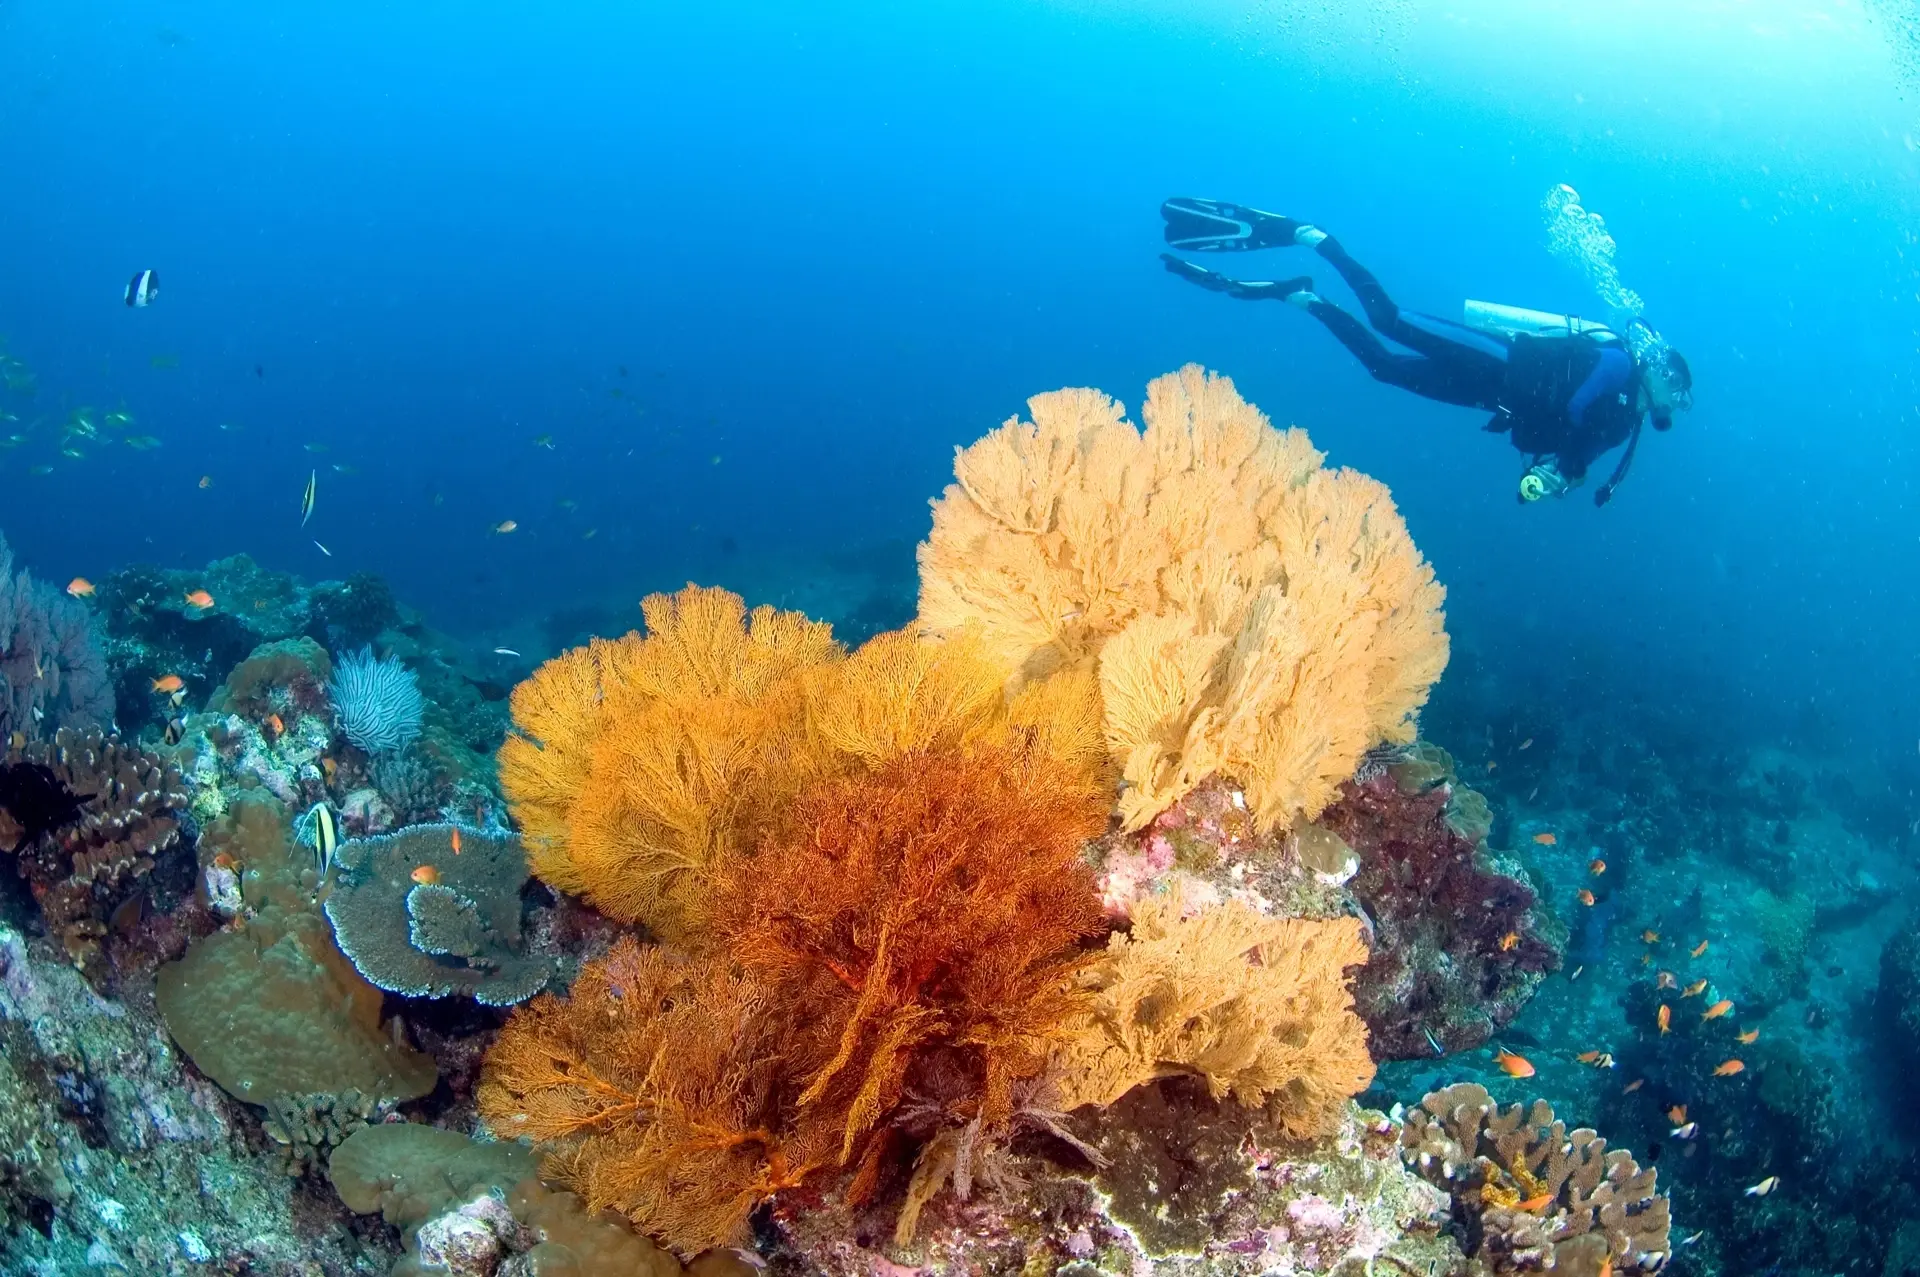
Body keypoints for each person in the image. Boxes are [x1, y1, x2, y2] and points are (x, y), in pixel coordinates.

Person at [1159, 197, 1692, 505]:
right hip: (1499, 361)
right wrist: (1575, 458)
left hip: (1493, 398)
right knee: (1388, 320)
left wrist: (1562, 476)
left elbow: (1578, 447)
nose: (1673, 401)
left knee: (1383, 368)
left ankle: (1305, 298)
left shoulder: (1624, 427)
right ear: (1660, 370)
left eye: (1680, 400)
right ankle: (1317, 240)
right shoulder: (1619, 362)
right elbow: (1577, 406)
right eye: (1676, 389)